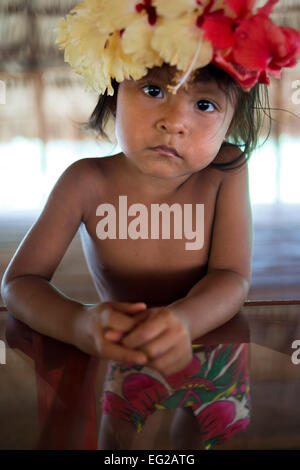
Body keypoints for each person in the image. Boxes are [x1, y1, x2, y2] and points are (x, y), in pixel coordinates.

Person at [1, 0, 299, 451]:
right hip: (127, 346)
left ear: (231, 122)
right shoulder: (85, 181)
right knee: (121, 445)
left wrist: (182, 319)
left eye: (204, 104)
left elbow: (231, 277)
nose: (174, 122)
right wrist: (79, 323)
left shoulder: (227, 169)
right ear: (112, 89)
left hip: (214, 337)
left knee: (199, 442)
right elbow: (19, 282)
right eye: (154, 91)